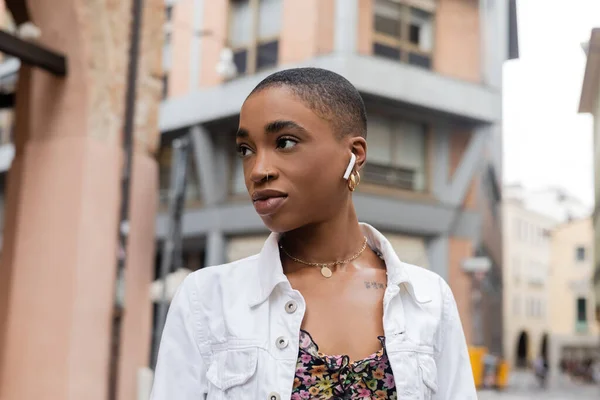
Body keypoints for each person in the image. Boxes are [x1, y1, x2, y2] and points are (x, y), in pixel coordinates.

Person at [150, 68, 477, 399]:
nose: (258, 170)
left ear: (354, 155)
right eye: (246, 149)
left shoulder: (428, 299)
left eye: (285, 142)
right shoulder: (206, 300)